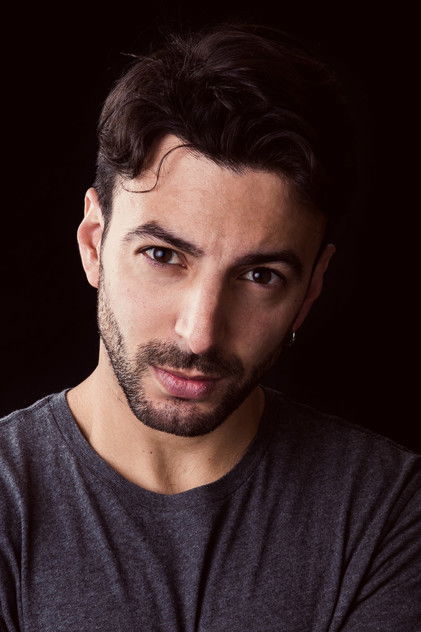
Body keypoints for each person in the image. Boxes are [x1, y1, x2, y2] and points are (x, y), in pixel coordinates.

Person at [0, 24, 419, 632]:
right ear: (94, 243)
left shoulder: (386, 513)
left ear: (311, 288)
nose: (199, 335)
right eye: (163, 256)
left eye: (260, 276)